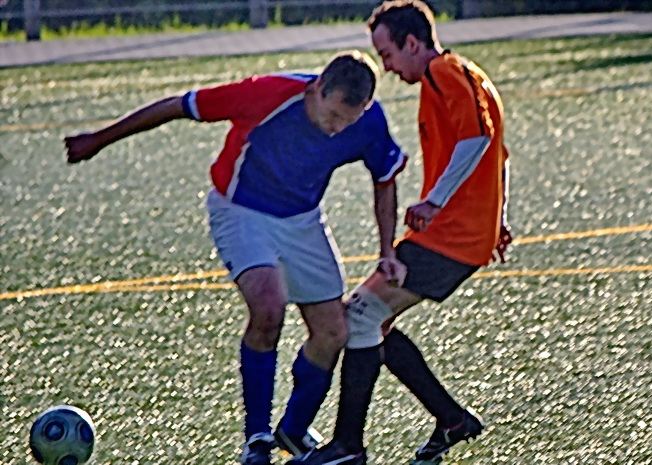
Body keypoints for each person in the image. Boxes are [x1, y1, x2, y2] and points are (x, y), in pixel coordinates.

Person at [63, 51, 407, 465]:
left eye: (347, 121)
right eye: (332, 115)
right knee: (268, 308)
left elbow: (384, 178)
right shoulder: (267, 95)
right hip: (241, 210)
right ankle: (257, 438)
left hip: (302, 219)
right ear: (316, 88)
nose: (337, 129)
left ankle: (293, 429)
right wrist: (99, 139)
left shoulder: (369, 121)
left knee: (333, 332)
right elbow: (178, 105)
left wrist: (387, 250)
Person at [288, 1, 513, 464]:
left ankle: (348, 446)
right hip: (458, 234)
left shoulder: (446, 72)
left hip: (450, 236)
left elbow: (479, 139)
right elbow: (499, 154)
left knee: (358, 317)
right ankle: (451, 420)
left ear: (413, 43)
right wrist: (499, 218)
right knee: (374, 323)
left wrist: (436, 201)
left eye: (387, 54)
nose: (386, 67)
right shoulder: (459, 76)